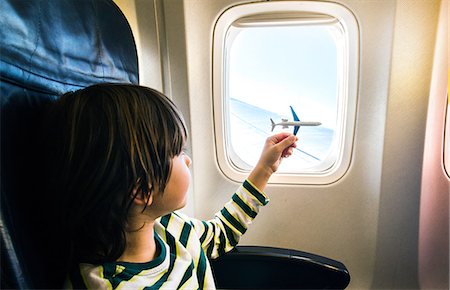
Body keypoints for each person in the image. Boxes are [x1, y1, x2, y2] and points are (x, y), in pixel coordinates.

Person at [42, 83, 298, 289]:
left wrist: (265, 168)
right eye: (177, 152)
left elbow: (220, 235)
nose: (186, 159)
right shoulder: (104, 285)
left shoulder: (170, 227)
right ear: (142, 190)